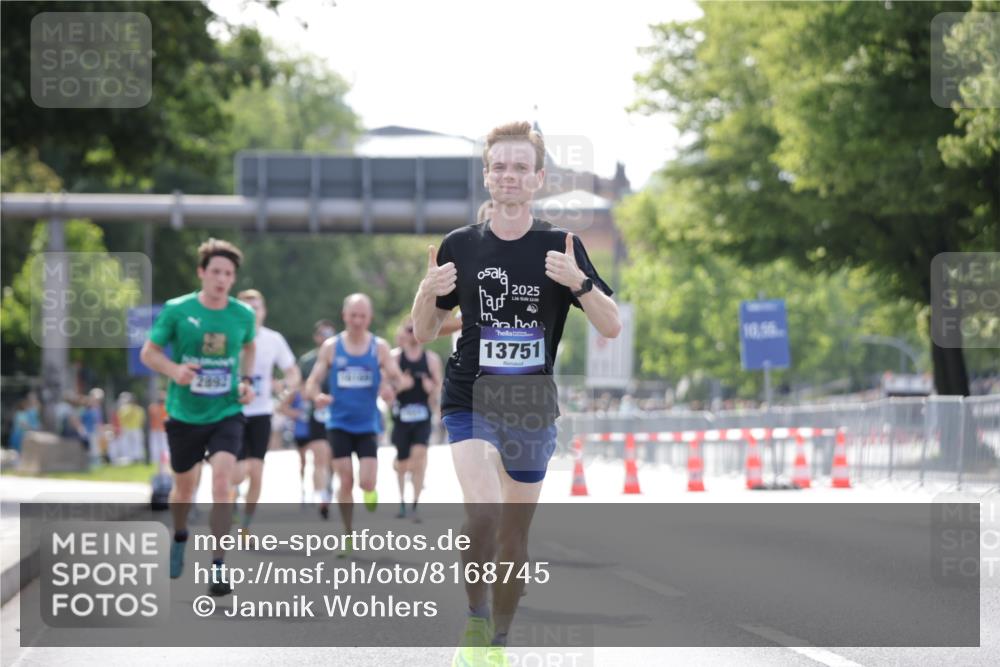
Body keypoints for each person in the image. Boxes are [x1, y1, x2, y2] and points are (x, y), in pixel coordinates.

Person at [411, 121, 620, 665]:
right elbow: (426, 332)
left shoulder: (561, 246)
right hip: (469, 396)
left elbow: (612, 325)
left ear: (538, 178)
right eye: (499, 166)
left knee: (512, 535)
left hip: (530, 405)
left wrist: (578, 282)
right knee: (482, 516)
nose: (509, 175)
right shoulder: (461, 244)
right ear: (487, 175)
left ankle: (501, 638)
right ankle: (476, 625)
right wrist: (425, 292)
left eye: (520, 167)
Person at [140, 238, 256, 597]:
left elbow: (249, 346)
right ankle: (179, 534)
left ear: (234, 278)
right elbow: (149, 352)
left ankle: (219, 565)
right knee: (185, 489)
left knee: (222, 483)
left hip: (226, 411)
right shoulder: (178, 310)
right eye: (216, 272)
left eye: (229, 274)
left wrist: (247, 381)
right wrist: (175, 371)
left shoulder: (243, 315)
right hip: (184, 413)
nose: (222, 279)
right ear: (202, 273)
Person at [304, 293, 413, 556]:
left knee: (365, 482)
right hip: (338, 422)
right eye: (353, 315)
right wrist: (316, 396)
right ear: (344, 316)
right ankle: (348, 535)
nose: (357, 321)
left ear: (369, 318)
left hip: (366, 424)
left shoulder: (379, 347)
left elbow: (402, 380)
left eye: (362, 316)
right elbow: (311, 382)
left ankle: (370, 489)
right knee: (345, 479)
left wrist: (391, 390)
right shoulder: (331, 347)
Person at [231, 289, 300, 533]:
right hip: (231, 412)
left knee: (257, 471)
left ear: (264, 311)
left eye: (256, 308)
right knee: (237, 474)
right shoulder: (229, 335)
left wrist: (284, 394)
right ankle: (231, 502)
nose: (251, 312)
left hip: (261, 412)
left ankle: (246, 527)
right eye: (246, 308)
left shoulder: (273, 339)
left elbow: (292, 372)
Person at [389, 318, 443, 522]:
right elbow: (385, 389)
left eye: (417, 329)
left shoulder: (431, 359)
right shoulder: (395, 358)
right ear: (404, 333)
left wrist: (432, 389)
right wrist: (399, 387)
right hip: (401, 416)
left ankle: (415, 505)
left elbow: (439, 387)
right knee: (403, 463)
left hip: (422, 416)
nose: (413, 334)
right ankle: (402, 501)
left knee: (419, 457)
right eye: (409, 330)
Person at [296, 319, 337, 516]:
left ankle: (328, 489)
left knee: (334, 460)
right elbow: (301, 388)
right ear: (316, 337)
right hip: (317, 413)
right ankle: (322, 497)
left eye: (330, 333)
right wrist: (315, 395)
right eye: (322, 334)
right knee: (320, 457)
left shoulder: (343, 354)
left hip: (339, 413)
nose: (326, 337)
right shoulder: (307, 361)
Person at [113, 392, 146, 465]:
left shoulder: (138, 409)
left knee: (137, 444)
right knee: (127, 444)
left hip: (135, 428)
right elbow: (121, 418)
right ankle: (130, 458)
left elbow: (142, 419)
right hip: (127, 429)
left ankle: (137, 457)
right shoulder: (125, 409)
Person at [79, 388, 105, 465]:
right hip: (89, 431)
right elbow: (82, 419)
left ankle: (97, 463)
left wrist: (101, 430)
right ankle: (93, 464)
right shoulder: (86, 408)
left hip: (95, 430)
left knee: (97, 449)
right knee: (93, 449)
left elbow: (99, 421)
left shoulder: (97, 409)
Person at [148, 390, 169, 466]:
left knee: (164, 447)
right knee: (156, 447)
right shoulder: (154, 407)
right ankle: (157, 461)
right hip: (157, 430)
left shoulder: (166, 407)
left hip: (163, 430)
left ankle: (164, 460)